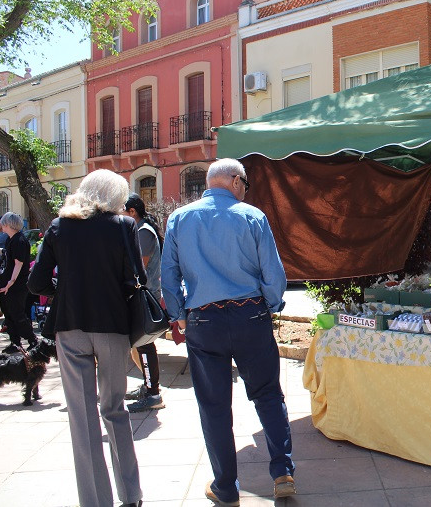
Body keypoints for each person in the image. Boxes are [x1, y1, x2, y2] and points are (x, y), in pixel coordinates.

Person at [161, 158, 296, 504]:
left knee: (214, 405)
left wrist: (177, 315)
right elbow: (273, 274)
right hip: (249, 314)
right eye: (245, 185)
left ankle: (225, 486)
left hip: (203, 321)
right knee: (267, 394)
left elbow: (169, 276)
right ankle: (282, 472)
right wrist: (271, 304)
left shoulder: (180, 218)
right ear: (236, 182)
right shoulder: (252, 216)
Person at [28, 170, 144, 507]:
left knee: (82, 417)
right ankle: (131, 495)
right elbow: (133, 279)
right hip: (111, 325)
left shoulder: (58, 227)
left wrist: (63, 291)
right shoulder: (123, 226)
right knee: (114, 409)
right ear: (114, 197)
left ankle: (95, 501)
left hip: (70, 326)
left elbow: (36, 283)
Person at [123, 193, 166, 413]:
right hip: (143, 295)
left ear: (132, 212)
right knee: (137, 348)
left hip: (144, 296)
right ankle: (149, 387)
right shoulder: (140, 231)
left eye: (122, 212)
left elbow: (137, 269)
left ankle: (153, 393)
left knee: (144, 345)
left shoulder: (143, 233)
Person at [0, 212, 37, 352]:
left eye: (3, 223)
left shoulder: (19, 240)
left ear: (8, 224)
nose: (1, 225)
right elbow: (7, 254)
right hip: (6, 285)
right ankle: (15, 343)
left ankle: (33, 340)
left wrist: (11, 282)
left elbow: (18, 264)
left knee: (17, 314)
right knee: (8, 314)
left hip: (15, 286)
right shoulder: (11, 240)